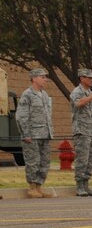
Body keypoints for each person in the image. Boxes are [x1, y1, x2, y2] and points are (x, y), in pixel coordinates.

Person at [17, 68, 55, 198]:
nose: (45, 79)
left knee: (44, 162)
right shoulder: (27, 94)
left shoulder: (44, 94)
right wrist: (26, 133)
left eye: (45, 77)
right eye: (42, 77)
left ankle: (39, 187)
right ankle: (32, 188)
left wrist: (50, 132)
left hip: (45, 133)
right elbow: (21, 116)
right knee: (33, 161)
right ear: (34, 78)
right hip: (32, 135)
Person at [69, 68, 92, 196]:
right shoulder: (77, 91)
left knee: (91, 159)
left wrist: (91, 95)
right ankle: (79, 186)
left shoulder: (89, 91)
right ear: (82, 78)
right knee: (82, 159)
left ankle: (86, 184)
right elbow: (78, 104)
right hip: (81, 131)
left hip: (91, 131)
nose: (91, 80)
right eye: (89, 78)